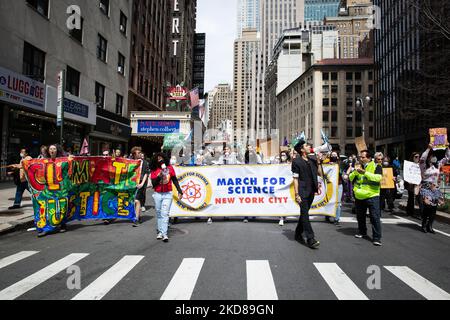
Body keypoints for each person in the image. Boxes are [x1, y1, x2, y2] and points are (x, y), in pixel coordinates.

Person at [349, 150, 383, 246]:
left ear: (368, 158)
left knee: (374, 217)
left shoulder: (377, 166)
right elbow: (350, 178)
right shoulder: (358, 166)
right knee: (360, 216)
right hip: (359, 195)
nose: (361, 158)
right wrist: (355, 172)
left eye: (363, 157)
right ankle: (362, 232)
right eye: (360, 157)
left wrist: (364, 172)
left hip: (372, 195)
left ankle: (376, 238)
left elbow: (378, 178)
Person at [292, 140, 321, 249]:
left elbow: (319, 173)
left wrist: (319, 162)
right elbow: (295, 178)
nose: (309, 147)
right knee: (305, 214)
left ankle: (297, 233)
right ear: (302, 150)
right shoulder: (296, 162)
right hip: (302, 191)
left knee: (304, 213)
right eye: (306, 146)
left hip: (311, 191)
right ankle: (310, 238)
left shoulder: (312, 160)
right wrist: (297, 194)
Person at [150, 153, 183, 242]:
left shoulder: (170, 168)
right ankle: (160, 232)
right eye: (158, 159)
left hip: (168, 194)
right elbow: (154, 184)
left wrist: (180, 191)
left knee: (165, 213)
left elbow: (174, 180)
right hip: (157, 194)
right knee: (159, 213)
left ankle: (164, 233)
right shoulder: (154, 169)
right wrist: (159, 176)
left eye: (162, 158)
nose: (160, 160)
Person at [418, 143, 450, 233]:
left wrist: (447, 147)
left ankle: (430, 226)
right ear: (429, 158)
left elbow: (447, 158)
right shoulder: (423, 166)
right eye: (431, 156)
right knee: (427, 207)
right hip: (426, 188)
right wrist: (428, 148)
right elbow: (422, 158)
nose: (433, 158)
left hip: (435, 188)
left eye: (434, 156)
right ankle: (424, 225)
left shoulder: (438, 165)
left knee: (433, 209)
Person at [130, 147, 149, 227]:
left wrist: (142, 183)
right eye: (138, 153)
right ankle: (137, 215)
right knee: (132, 201)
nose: (140, 154)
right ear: (134, 154)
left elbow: (146, 173)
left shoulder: (144, 162)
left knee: (137, 200)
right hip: (132, 183)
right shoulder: (130, 162)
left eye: (140, 152)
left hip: (141, 183)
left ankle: (136, 219)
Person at [326, 151, 343, 225]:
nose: (333, 156)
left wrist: (336, 166)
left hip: (338, 185)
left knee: (338, 203)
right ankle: (327, 215)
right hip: (329, 185)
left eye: (335, 155)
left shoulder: (340, 164)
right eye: (332, 155)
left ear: (338, 157)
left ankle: (337, 219)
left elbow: (343, 172)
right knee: (328, 201)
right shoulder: (327, 164)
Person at [278, 150, 292, 226]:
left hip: (288, 186)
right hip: (280, 186)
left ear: (287, 156)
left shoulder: (290, 164)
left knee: (287, 201)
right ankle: (281, 218)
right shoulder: (278, 164)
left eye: (284, 155)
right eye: (282, 155)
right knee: (281, 201)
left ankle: (284, 215)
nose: (283, 157)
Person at [405, 152, 421, 216]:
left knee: (419, 198)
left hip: (417, 183)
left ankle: (421, 213)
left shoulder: (420, 164)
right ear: (412, 157)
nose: (418, 158)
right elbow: (406, 173)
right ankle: (409, 211)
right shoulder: (409, 164)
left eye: (418, 157)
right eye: (416, 157)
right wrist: (408, 180)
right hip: (411, 183)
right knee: (411, 198)